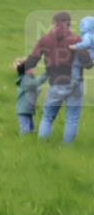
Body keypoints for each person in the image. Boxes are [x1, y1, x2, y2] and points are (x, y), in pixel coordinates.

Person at [21, 11, 93, 142]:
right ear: (69, 24)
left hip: (55, 83)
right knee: (72, 118)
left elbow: (33, 60)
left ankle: (42, 145)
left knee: (47, 116)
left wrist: (21, 69)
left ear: (53, 23)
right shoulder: (77, 39)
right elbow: (87, 64)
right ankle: (68, 150)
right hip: (76, 83)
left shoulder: (44, 39)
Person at [13, 57, 47, 135]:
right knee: (25, 130)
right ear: (26, 71)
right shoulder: (25, 80)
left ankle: (28, 141)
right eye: (31, 68)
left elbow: (35, 87)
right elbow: (36, 83)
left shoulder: (29, 78)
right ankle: (23, 143)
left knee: (31, 130)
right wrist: (47, 73)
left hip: (28, 109)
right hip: (23, 109)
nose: (33, 69)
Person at [68, 15, 94, 84]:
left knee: (75, 64)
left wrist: (75, 46)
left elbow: (86, 43)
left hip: (89, 54)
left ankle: (75, 79)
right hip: (91, 54)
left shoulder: (87, 35)